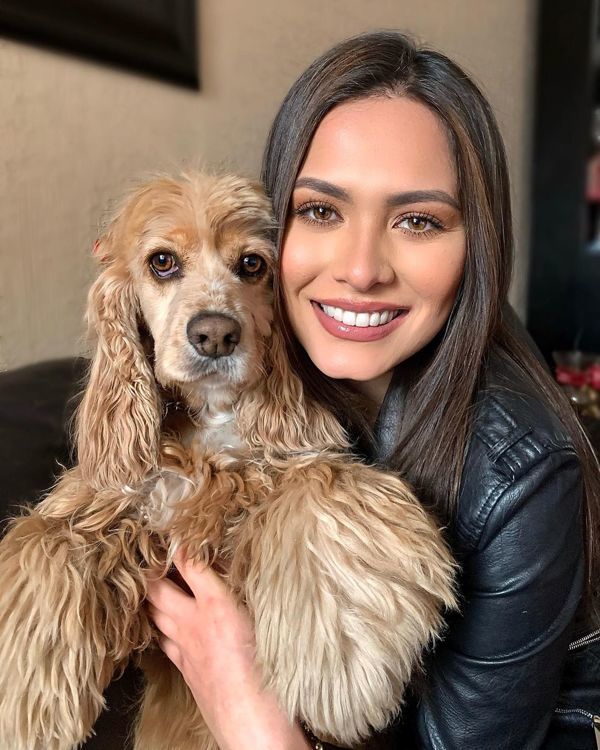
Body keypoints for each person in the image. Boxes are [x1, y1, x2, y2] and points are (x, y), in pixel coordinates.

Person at [146, 31, 600, 749]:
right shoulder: (251, 361)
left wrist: (244, 703)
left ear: (476, 246)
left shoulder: (525, 477)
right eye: (321, 211)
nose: (361, 270)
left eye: (418, 221)